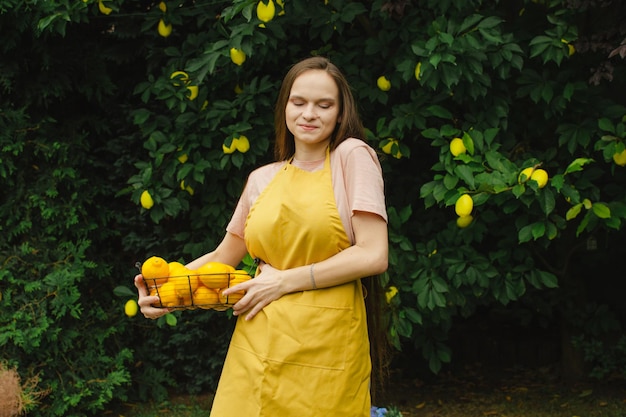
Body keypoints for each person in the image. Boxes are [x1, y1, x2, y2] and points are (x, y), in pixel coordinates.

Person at [134, 56, 388, 416]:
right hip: (255, 343)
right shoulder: (262, 179)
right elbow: (224, 258)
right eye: (298, 102)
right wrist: (166, 293)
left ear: (341, 111)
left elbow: (373, 254)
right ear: (284, 105)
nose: (309, 113)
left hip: (325, 347)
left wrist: (281, 281)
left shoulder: (352, 156)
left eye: (324, 104)